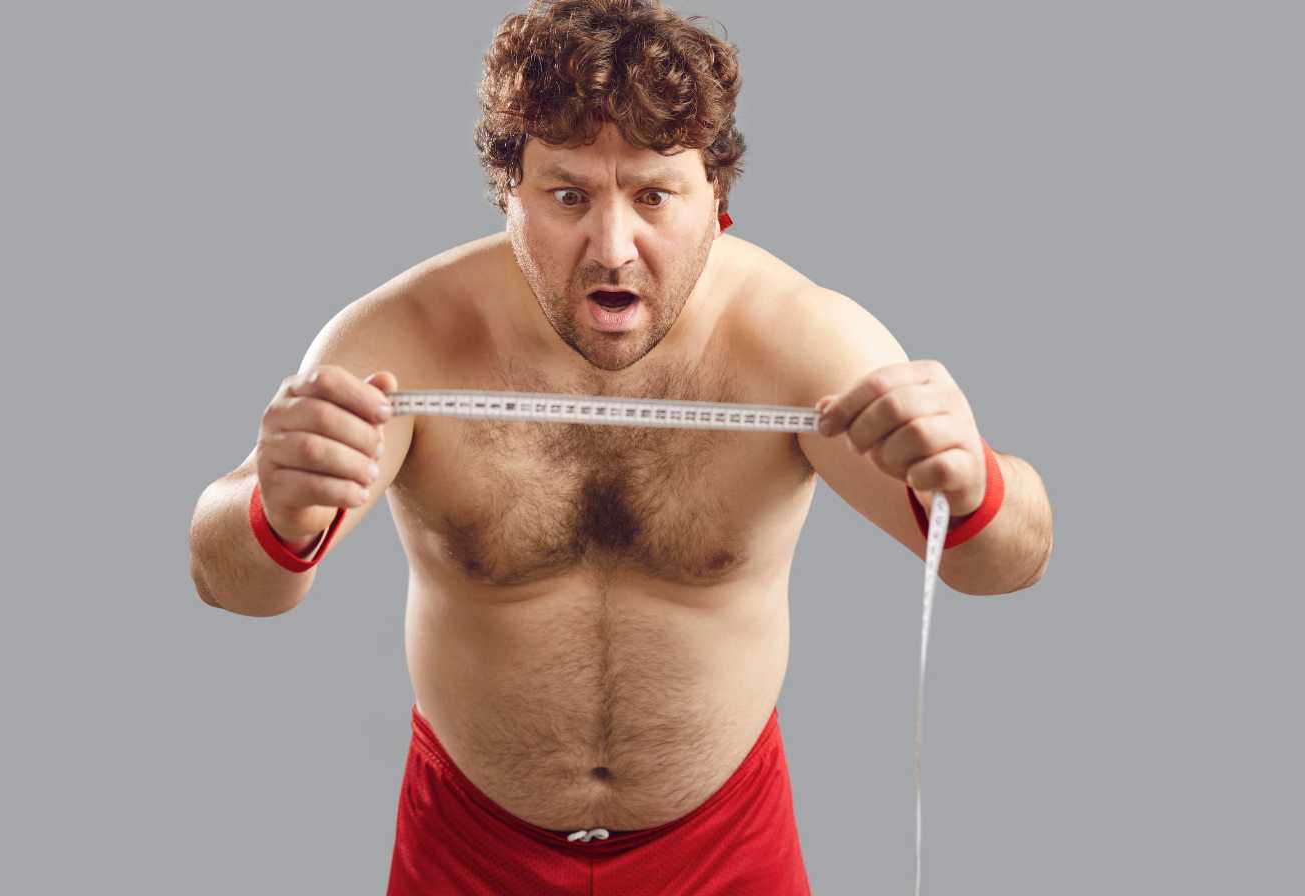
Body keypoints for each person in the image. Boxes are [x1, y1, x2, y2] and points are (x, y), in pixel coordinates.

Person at [188, 1, 1053, 892]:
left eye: (652, 196)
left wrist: (977, 482)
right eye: (568, 196)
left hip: (726, 850)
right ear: (509, 194)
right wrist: (272, 510)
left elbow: (1004, 564)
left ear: (716, 199)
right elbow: (234, 586)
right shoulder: (402, 340)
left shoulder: (802, 343)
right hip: (469, 849)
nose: (612, 249)